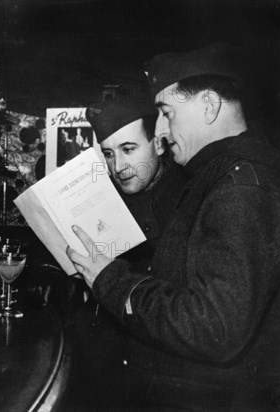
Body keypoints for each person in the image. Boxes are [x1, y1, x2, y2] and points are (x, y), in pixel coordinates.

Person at [67, 42, 280, 410]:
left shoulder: (241, 186)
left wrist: (109, 279)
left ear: (209, 105)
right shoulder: (221, 176)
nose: (161, 130)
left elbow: (215, 328)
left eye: (167, 113)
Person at [28, 98, 187, 410]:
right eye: (110, 154)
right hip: (102, 358)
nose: (119, 166)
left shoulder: (188, 198)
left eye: (129, 149)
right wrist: (52, 275)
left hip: (163, 371)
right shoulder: (101, 197)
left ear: (158, 145)